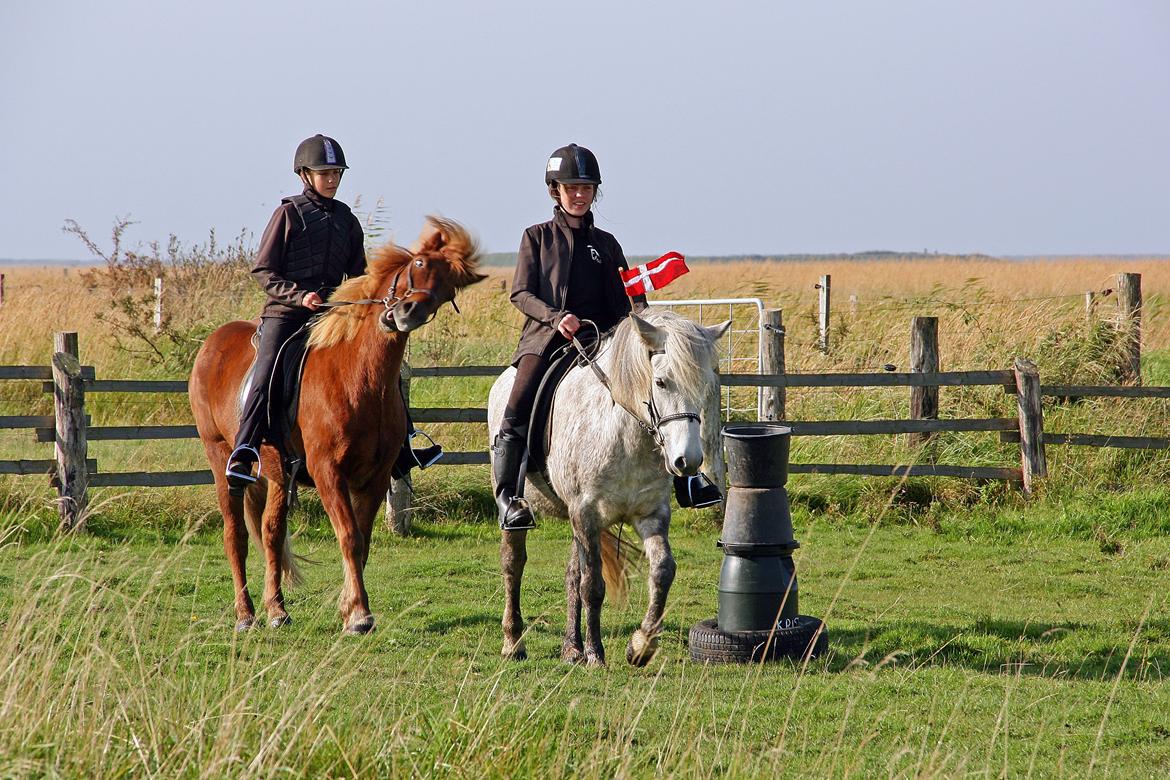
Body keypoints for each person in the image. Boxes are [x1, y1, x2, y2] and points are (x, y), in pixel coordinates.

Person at [495, 143, 720, 532]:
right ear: (556, 190)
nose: (579, 195)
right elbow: (521, 294)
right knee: (518, 400)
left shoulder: (607, 244)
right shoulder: (536, 238)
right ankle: (509, 497)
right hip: (547, 341)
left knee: (659, 392)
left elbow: (630, 298)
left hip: (605, 342)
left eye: (586, 188)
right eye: (571, 187)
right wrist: (555, 318)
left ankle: (687, 479)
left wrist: (646, 327)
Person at [225, 134, 440, 490]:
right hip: (287, 313)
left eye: (336, 172)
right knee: (267, 371)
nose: (332, 179)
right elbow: (264, 271)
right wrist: (299, 297)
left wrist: (361, 302)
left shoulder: (347, 220)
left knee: (385, 369)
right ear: (304, 174)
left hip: (334, 314)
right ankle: (246, 450)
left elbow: (358, 278)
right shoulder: (287, 214)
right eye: (324, 172)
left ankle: (404, 446)